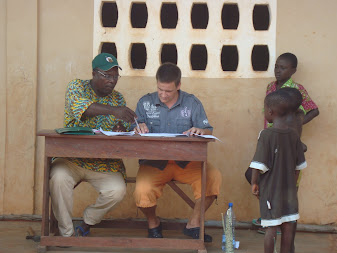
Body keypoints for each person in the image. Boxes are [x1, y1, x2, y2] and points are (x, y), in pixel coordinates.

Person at [132, 62, 222, 242]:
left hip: (187, 162)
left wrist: (199, 131)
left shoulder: (192, 103)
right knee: (142, 191)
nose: (163, 95)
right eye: (160, 90)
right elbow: (132, 128)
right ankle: (153, 222)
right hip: (154, 163)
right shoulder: (145, 102)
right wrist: (137, 127)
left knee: (213, 177)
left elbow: (208, 130)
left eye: (169, 91)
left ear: (179, 85)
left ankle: (193, 224)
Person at [50, 53, 137, 237]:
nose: (112, 81)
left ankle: (88, 221)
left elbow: (120, 126)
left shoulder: (118, 99)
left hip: (103, 163)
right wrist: (115, 112)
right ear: (94, 73)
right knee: (58, 179)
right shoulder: (77, 87)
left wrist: (120, 127)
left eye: (115, 76)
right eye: (107, 76)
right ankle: (66, 234)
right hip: (71, 160)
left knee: (118, 190)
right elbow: (82, 108)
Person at [250, 90, 307, 253]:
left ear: (271, 112)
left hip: (271, 190)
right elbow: (299, 166)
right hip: (290, 190)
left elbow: (258, 164)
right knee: (288, 225)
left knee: (271, 227)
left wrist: (254, 183)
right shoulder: (294, 135)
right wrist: (292, 182)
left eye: (265, 108)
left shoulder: (266, 134)